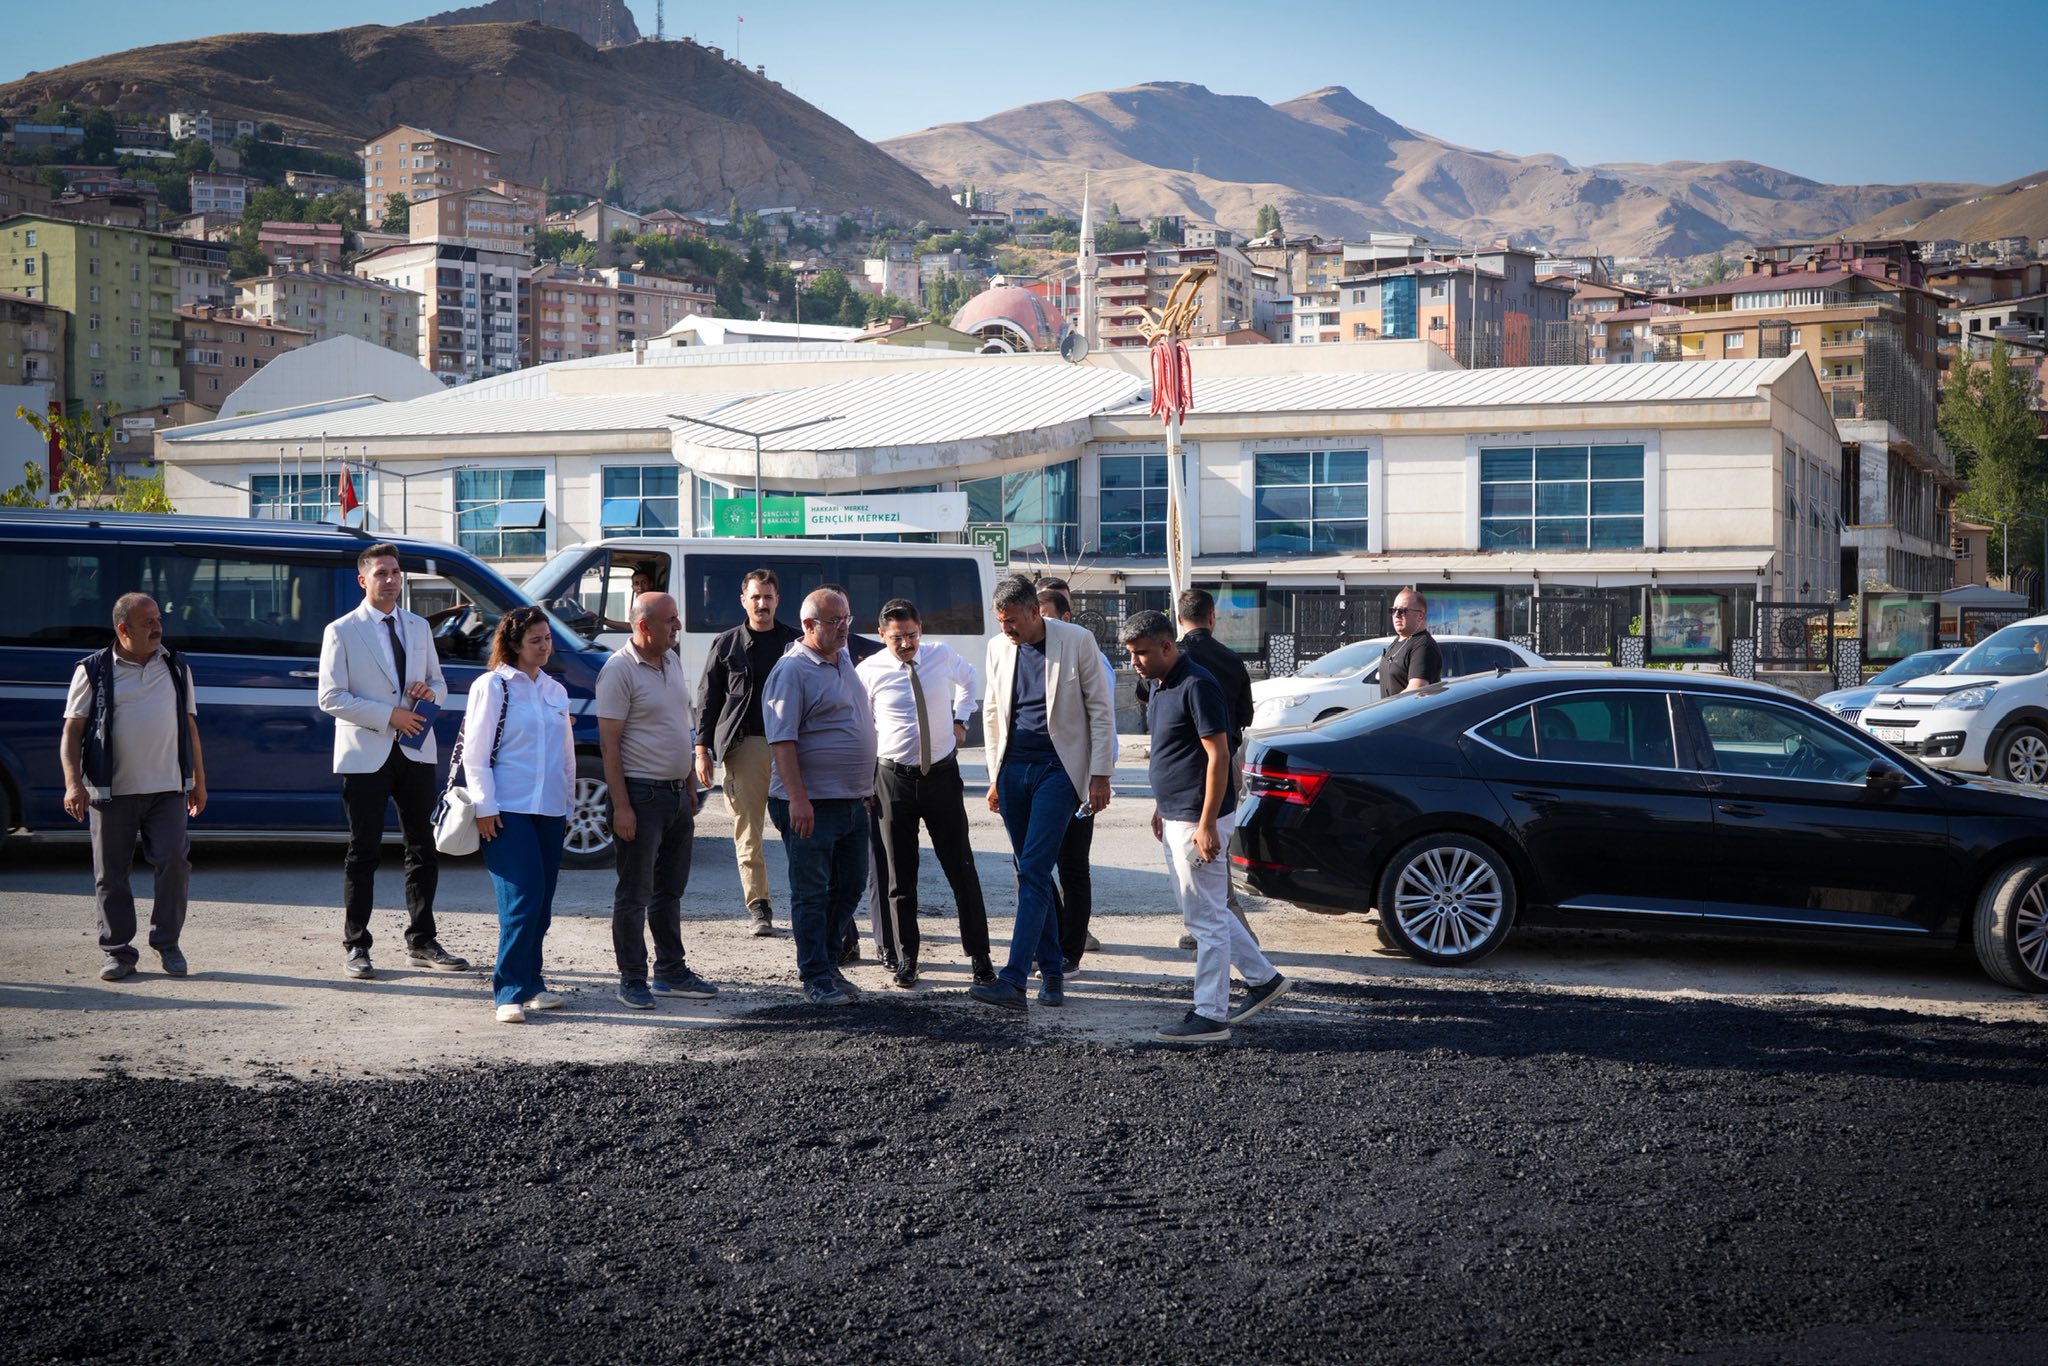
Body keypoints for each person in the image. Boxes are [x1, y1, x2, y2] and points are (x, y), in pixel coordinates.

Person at [1121, 610, 1289, 1044]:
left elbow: (1217, 756)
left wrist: (1207, 822)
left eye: (1141, 653)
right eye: (1130, 654)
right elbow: (1173, 753)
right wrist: (1163, 806)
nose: (1135, 662)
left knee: (1205, 921)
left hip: (1198, 819)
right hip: (1178, 814)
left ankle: (1211, 1015)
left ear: (1166, 646)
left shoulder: (1197, 685)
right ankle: (1265, 980)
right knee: (1209, 909)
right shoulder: (1160, 685)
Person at [317, 543, 468, 980]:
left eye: (396, 572)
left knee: (423, 847)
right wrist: (390, 715)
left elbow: (440, 683)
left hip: (416, 749)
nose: (391, 579)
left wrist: (428, 694)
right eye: (381, 572)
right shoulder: (342, 630)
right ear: (363, 580)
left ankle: (421, 940)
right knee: (362, 851)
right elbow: (330, 697)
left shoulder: (419, 627)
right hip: (366, 753)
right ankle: (356, 945)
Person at [970, 574, 1115, 1013]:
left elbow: (1101, 711)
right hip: (1013, 768)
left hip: (1059, 769)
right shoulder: (999, 648)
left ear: (1035, 612)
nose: (1006, 629)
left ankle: (1014, 979)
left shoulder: (1077, 640)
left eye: (1012, 621)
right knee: (1028, 870)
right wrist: (995, 775)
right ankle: (1052, 974)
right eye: (1000, 622)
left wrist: (1100, 775)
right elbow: (993, 713)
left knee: (1034, 869)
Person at [60, 593, 207, 981]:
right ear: (123, 629)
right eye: (148, 622)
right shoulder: (93, 670)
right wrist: (73, 785)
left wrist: (199, 783)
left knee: (174, 862)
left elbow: (190, 725)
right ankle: (118, 952)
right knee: (111, 873)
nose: (158, 627)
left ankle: (168, 942)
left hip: (168, 789)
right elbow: (72, 731)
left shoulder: (176, 665)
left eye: (159, 618)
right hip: (110, 792)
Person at [856, 597, 994, 989]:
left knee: (961, 869)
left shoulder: (940, 656)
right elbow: (863, 727)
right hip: (892, 780)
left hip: (942, 778)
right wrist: (865, 782)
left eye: (912, 635)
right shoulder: (868, 671)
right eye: (897, 637)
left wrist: (960, 719)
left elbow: (971, 680)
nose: (906, 644)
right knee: (900, 875)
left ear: (921, 631)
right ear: (882, 635)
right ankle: (907, 957)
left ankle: (980, 957)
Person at [597, 592, 720, 1012]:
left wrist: (688, 780)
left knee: (670, 890)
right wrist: (623, 806)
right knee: (634, 893)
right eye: (670, 619)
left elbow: (679, 728)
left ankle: (671, 971)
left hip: (674, 795)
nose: (678, 626)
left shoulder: (669, 660)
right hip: (640, 795)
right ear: (643, 626)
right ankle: (632, 978)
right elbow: (609, 748)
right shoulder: (618, 672)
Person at [762, 587, 878, 1006]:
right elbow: (782, 740)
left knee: (848, 888)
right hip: (810, 804)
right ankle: (814, 975)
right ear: (809, 626)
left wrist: (863, 790)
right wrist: (798, 799)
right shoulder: (791, 670)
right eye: (834, 621)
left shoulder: (842, 656)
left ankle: (828, 963)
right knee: (811, 893)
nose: (844, 627)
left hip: (851, 801)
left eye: (847, 617)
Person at [464, 608, 578, 1024]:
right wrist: (484, 807)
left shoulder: (555, 691)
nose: (545, 646)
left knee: (542, 903)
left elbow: (566, 755)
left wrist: (568, 806)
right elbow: (475, 755)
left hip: (549, 811)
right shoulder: (492, 686)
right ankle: (508, 990)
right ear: (513, 644)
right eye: (536, 640)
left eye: (548, 638)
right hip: (506, 809)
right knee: (522, 898)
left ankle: (532, 982)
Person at [696, 568, 802, 937]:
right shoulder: (726, 644)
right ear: (744, 600)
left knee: (801, 829)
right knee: (748, 832)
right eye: (755, 597)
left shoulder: (796, 643)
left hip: (793, 746)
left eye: (768, 596)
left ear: (777, 600)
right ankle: (760, 907)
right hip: (746, 746)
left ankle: (808, 903)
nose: (762, 603)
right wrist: (701, 749)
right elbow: (708, 700)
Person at [1174, 587, 1259, 946]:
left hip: (1185, 765)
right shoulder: (1231, 659)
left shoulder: (1173, 659)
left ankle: (1228, 930)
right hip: (1226, 760)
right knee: (1215, 845)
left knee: (1197, 853)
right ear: (1212, 618)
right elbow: (1246, 716)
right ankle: (1205, 923)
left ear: (1179, 620)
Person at [1036, 584, 1110, 971]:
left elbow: (1102, 719)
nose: (1038, 622)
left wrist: (1100, 777)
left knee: (1072, 866)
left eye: (1045, 614)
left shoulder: (1085, 652)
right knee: (1032, 867)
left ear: (1065, 618)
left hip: (1077, 780)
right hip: (1035, 779)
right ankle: (1047, 941)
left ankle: (1070, 949)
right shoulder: (1024, 654)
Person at [1381, 587, 1443, 698]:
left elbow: (1416, 691)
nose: (1396, 615)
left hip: (1408, 714)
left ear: (1421, 615)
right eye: (1393, 610)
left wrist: (1388, 707)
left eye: (1402, 611)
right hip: (1390, 713)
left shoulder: (1423, 646)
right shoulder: (1398, 642)